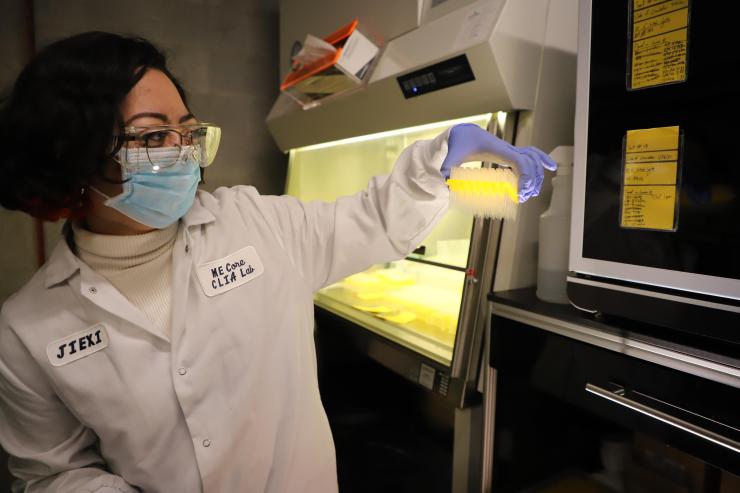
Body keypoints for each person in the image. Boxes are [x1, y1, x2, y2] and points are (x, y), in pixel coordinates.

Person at [0, 32, 555, 493]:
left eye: (187, 130)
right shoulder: (26, 329)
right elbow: (52, 472)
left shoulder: (254, 224)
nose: (182, 150)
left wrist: (440, 158)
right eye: (152, 136)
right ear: (73, 153)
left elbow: (374, 219)